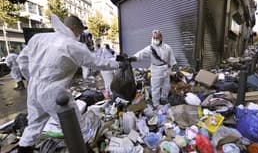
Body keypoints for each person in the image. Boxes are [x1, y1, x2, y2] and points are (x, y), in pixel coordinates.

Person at [16, 15, 120, 152]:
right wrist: (118, 64)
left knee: (34, 124)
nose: (80, 35)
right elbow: (97, 63)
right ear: (75, 28)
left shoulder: (38, 38)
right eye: (80, 32)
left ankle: (23, 149)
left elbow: (21, 60)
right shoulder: (72, 45)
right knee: (75, 128)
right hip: (54, 92)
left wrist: (31, 78)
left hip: (34, 88)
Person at [129, 30, 177, 108]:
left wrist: (174, 66)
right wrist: (132, 58)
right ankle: (156, 104)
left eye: (157, 37)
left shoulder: (167, 47)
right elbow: (141, 54)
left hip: (166, 69)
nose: (155, 39)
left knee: (166, 86)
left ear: (161, 37)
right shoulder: (150, 49)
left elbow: (171, 58)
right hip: (156, 70)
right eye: (154, 37)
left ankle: (164, 99)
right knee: (156, 88)